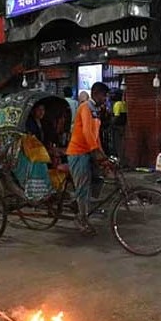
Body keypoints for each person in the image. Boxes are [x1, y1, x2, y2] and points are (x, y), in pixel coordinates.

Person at [66, 82, 113, 235]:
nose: (105, 99)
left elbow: (95, 135)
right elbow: (86, 132)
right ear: (96, 94)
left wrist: (102, 154)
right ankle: (81, 218)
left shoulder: (96, 110)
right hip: (78, 152)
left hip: (89, 151)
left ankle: (80, 204)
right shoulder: (85, 107)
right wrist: (95, 151)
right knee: (83, 187)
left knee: (97, 179)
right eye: (103, 96)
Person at [112, 91, 128, 167]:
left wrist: (111, 123)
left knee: (117, 145)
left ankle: (119, 162)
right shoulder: (124, 104)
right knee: (122, 145)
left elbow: (116, 116)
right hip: (123, 127)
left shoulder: (117, 104)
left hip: (117, 127)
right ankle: (122, 161)